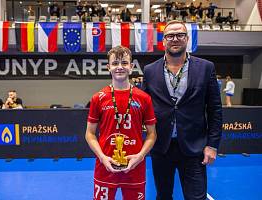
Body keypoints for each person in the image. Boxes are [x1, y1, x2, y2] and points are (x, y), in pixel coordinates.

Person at [142, 20, 222, 200]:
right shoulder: (150, 71)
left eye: (180, 35)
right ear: (164, 41)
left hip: (195, 147)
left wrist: (212, 145)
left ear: (187, 39)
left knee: (196, 197)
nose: (175, 39)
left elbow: (215, 109)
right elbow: (144, 108)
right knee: (163, 195)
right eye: (170, 35)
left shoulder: (206, 67)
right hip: (161, 147)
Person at [85, 46, 157, 200]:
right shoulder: (98, 98)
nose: (119, 67)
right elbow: (90, 134)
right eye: (115, 63)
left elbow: (152, 134)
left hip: (135, 167)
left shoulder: (144, 98)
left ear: (131, 67)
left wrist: (141, 156)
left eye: (124, 63)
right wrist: (102, 157)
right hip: (105, 166)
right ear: (108, 67)